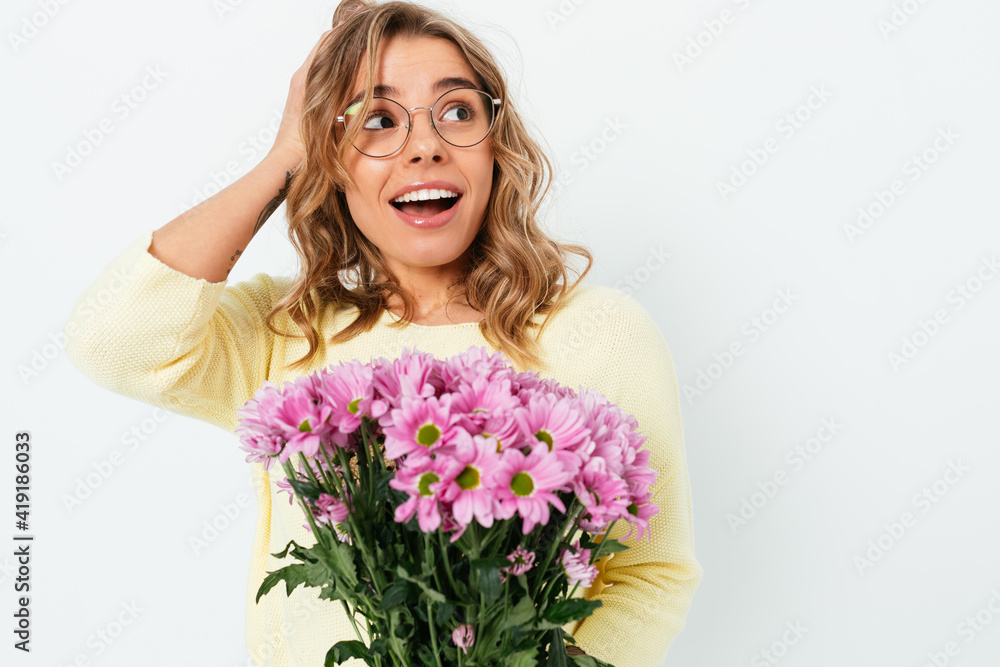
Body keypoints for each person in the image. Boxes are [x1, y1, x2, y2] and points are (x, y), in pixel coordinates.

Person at [62, 1, 703, 665]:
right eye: (377, 119)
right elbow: (112, 340)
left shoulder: (599, 334)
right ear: (333, 162)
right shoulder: (288, 332)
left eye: (457, 112)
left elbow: (650, 576)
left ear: (494, 144)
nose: (426, 145)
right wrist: (285, 154)